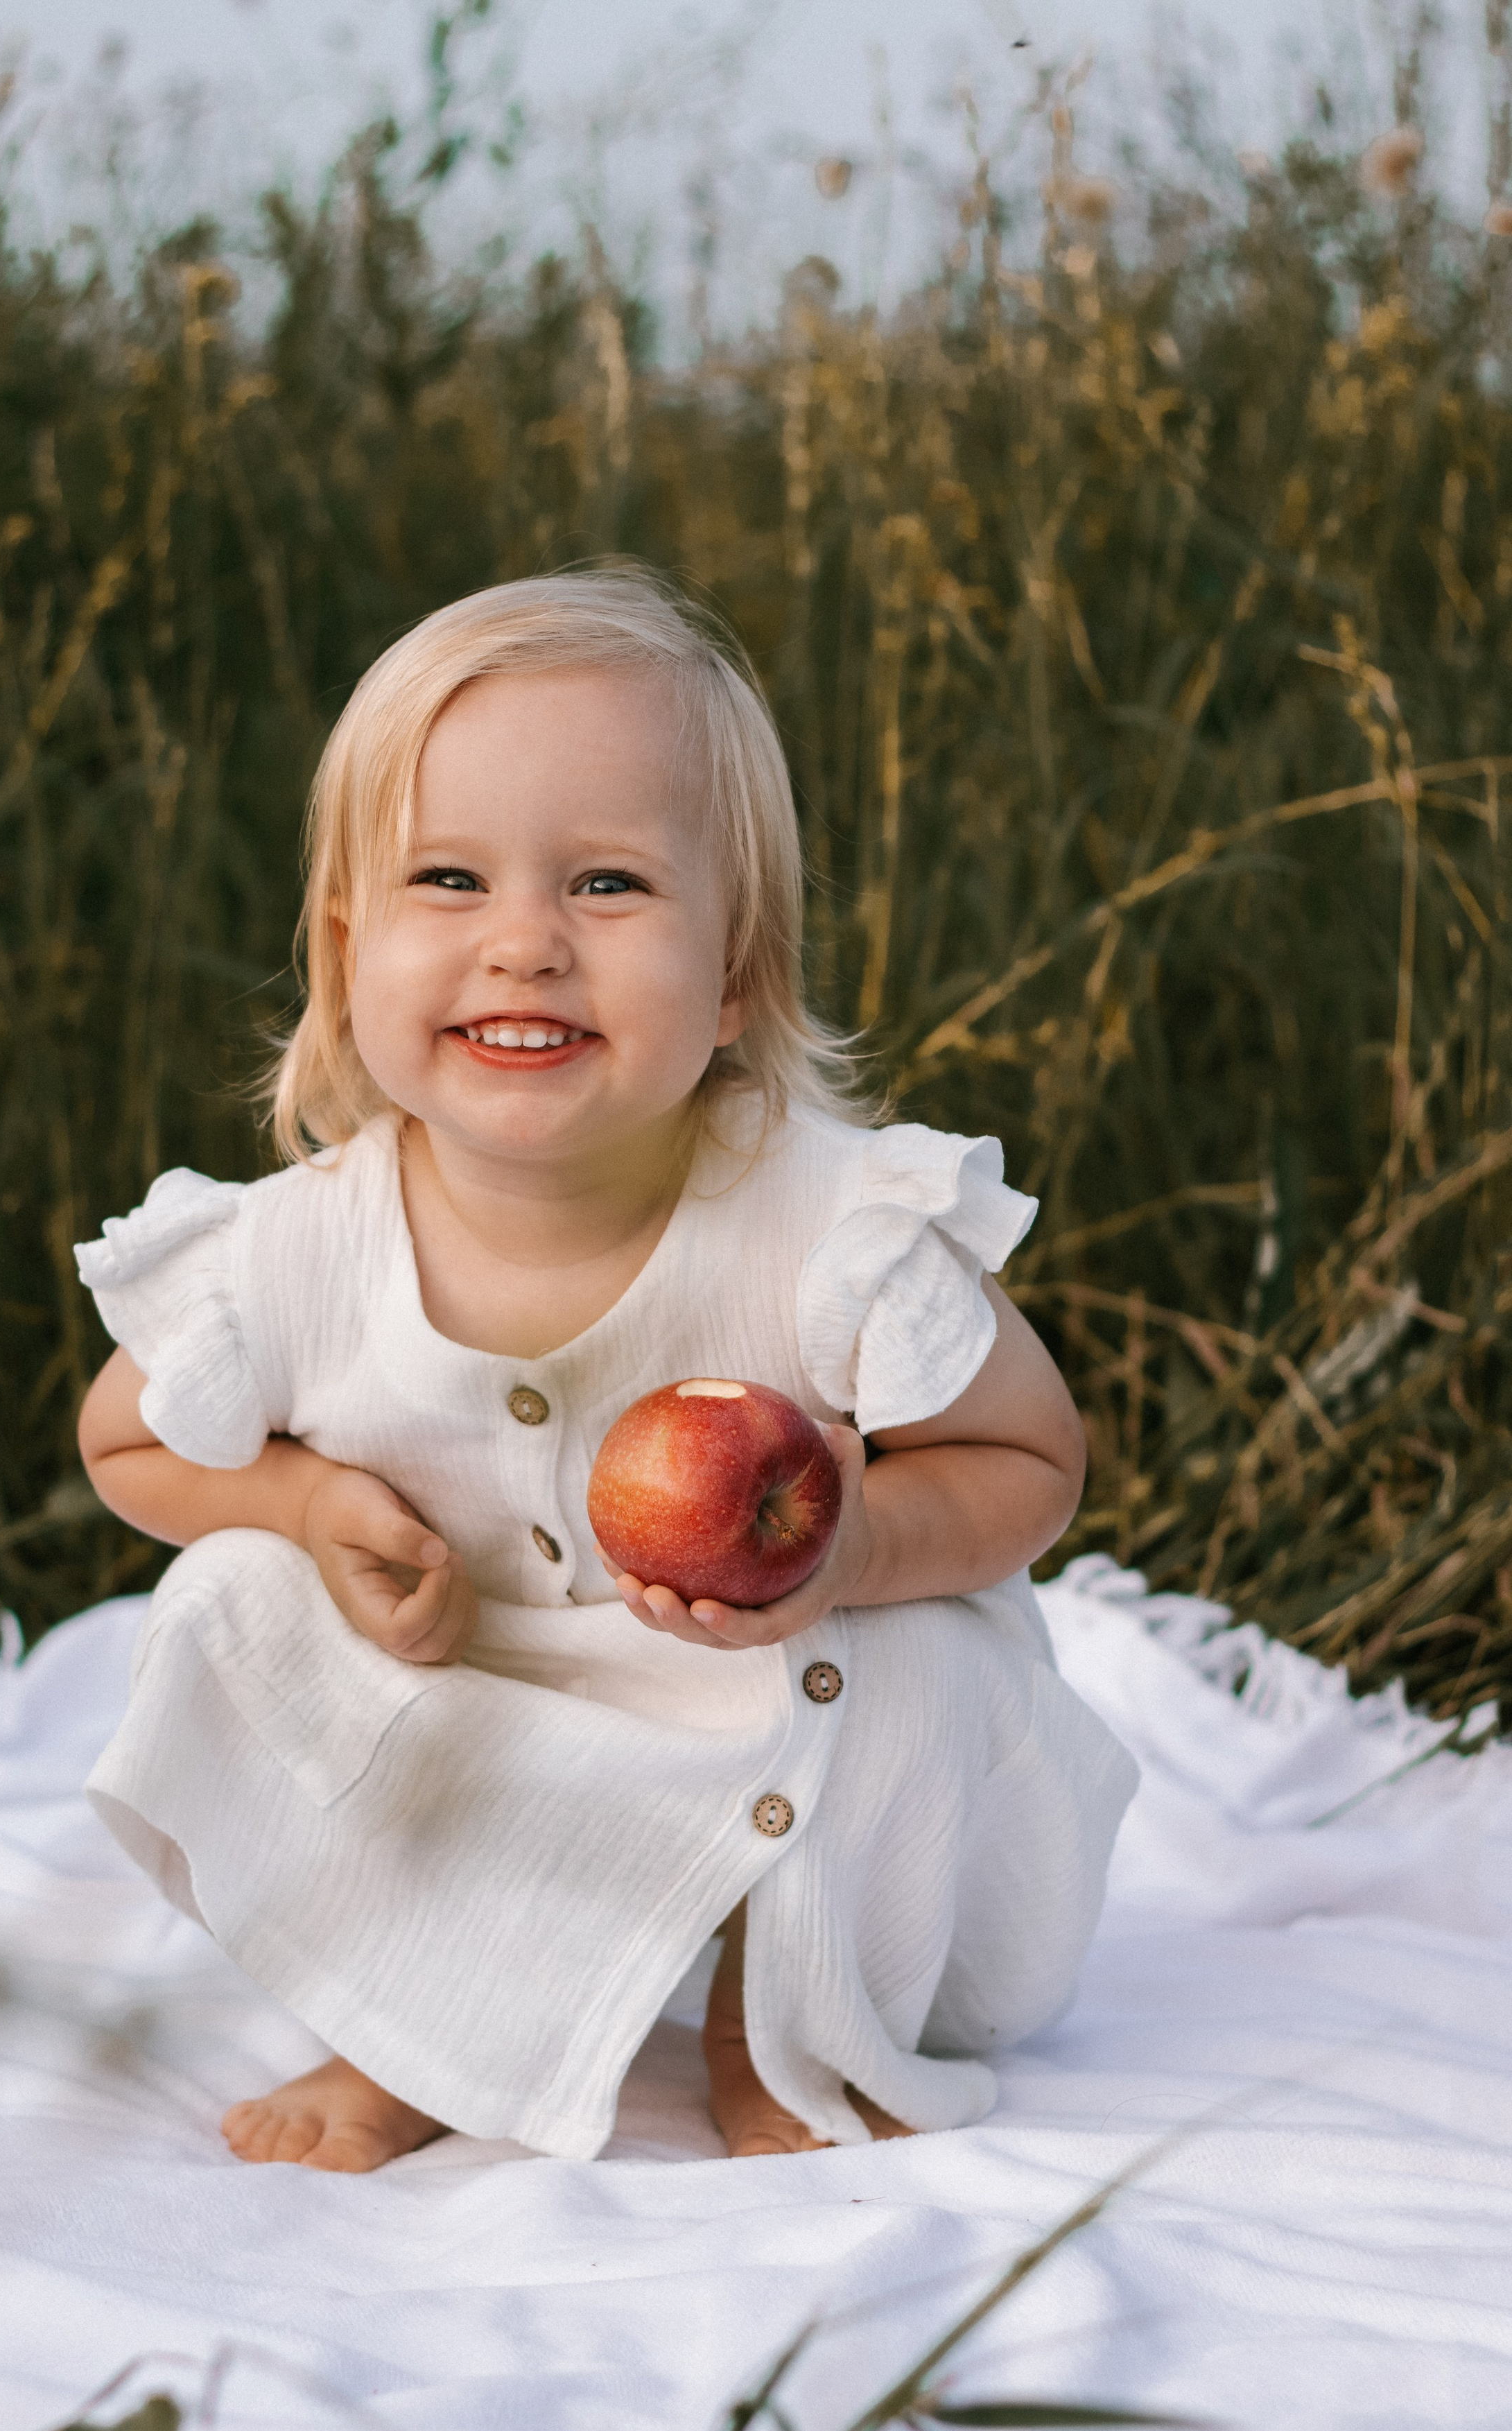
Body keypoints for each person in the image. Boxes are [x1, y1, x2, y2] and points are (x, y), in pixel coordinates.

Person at [74, 569, 1137, 2175]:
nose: (524, 945)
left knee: (917, 1652)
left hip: (784, 1700)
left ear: (732, 975)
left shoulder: (826, 1230)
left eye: (608, 886)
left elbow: (1030, 1462)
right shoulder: (295, 1250)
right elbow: (125, 1448)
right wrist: (302, 1502)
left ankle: (781, 2014)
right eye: (448, 878)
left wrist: (853, 1549)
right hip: (477, 1693)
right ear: (349, 948)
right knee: (226, 1595)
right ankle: (414, 2022)